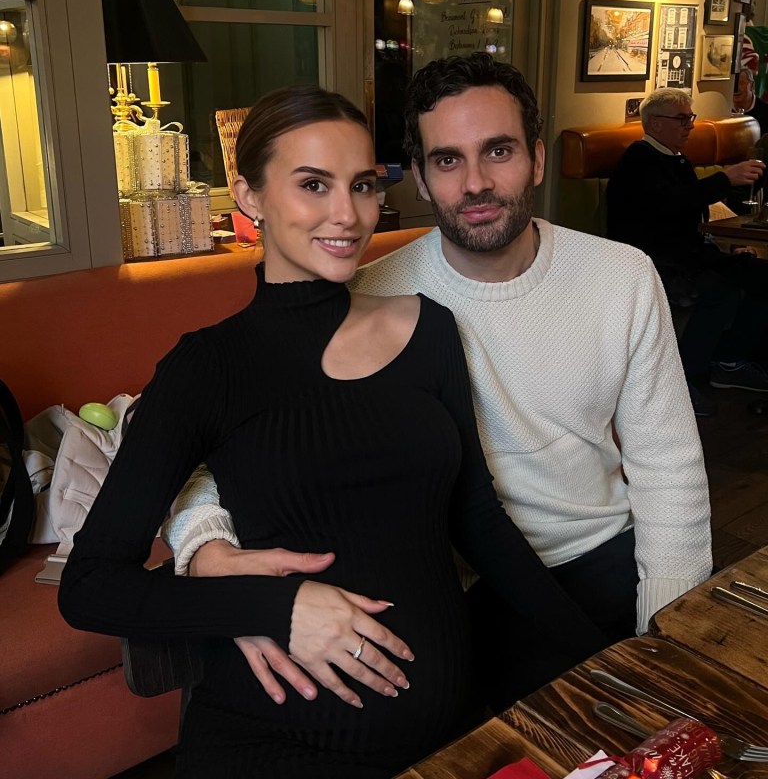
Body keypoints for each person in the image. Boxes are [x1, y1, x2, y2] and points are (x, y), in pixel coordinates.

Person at [58, 85, 606, 779]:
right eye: (312, 184)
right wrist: (273, 607)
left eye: (363, 185)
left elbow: (478, 518)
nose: (347, 215)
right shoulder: (209, 366)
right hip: (276, 744)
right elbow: (89, 586)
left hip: (455, 734)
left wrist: (604, 658)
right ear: (249, 196)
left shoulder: (428, 328)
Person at [164, 55, 712, 713]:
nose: (476, 183)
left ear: (536, 158)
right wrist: (204, 549)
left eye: (498, 151)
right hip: (436, 585)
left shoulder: (622, 277)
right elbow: (215, 451)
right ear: (420, 178)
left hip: (594, 557)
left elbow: (667, 468)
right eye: (448, 160)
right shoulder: (368, 295)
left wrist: (667, 639)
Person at [607, 87, 768, 418]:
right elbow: (670, 204)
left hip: (688, 253)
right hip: (650, 260)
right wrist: (726, 179)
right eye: (682, 119)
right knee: (720, 291)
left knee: (760, 276)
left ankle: (729, 360)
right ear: (654, 123)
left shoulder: (675, 157)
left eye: (690, 118)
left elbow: (692, 209)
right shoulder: (639, 159)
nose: (690, 126)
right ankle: (677, 382)